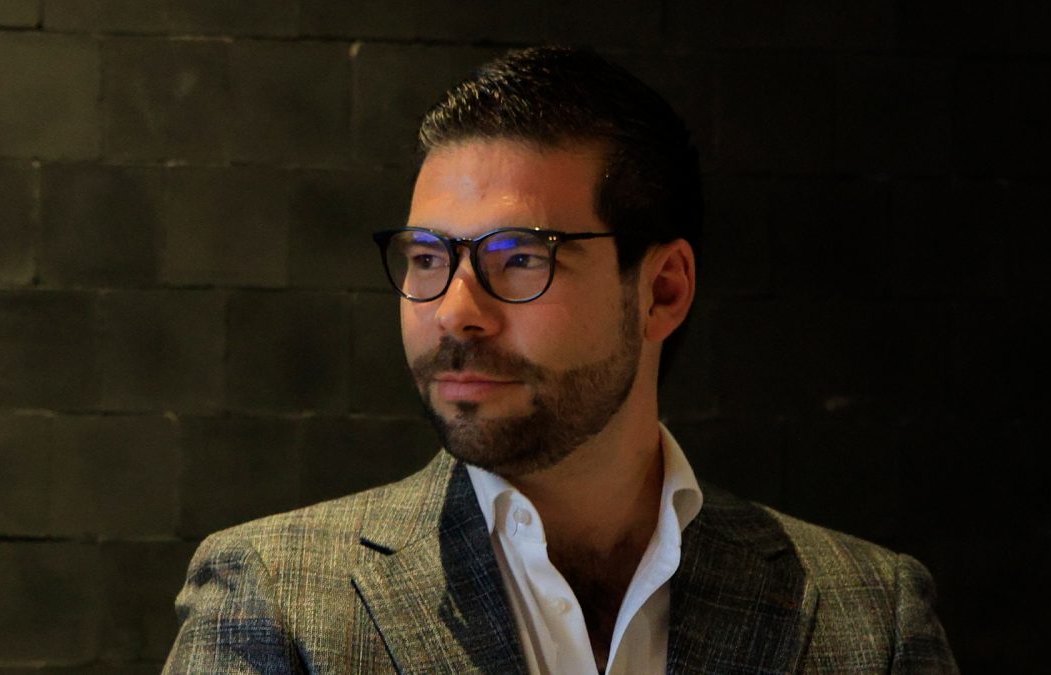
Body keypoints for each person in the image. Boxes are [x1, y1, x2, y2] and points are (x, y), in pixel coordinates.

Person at [164, 46, 958, 674]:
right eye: (428, 257)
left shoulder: (869, 616)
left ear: (663, 290)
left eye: (519, 257)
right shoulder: (276, 598)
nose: (454, 310)